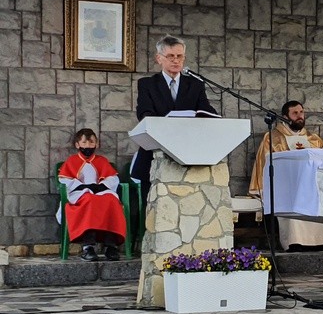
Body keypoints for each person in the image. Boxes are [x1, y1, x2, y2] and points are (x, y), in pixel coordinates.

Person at [130, 35, 217, 206]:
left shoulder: (195, 84)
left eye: (180, 56)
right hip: (156, 152)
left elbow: (205, 110)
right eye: (171, 56)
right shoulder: (147, 84)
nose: (176, 61)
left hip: (189, 152)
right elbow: (144, 113)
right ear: (159, 59)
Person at [249, 100, 323, 252]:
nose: (300, 116)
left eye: (301, 112)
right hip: (286, 186)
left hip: (313, 185)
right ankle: (295, 242)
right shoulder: (272, 138)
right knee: (293, 200)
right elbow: (264, 164)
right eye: (295, 113)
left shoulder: (314, 139)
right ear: (285, 117)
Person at [57, 129, 126, 261]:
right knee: (89, 200)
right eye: (84, 142)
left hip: (101, 191)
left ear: (97, 144)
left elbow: (113, 178)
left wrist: (101, 185)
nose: (88, 146)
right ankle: (88, 246)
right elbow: (64, 180)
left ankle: (110, 245)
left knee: (112, 200)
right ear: (77, 144)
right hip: (80, 193)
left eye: (91, 142)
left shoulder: (102, 160)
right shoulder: (72, 161)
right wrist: (82, 186)